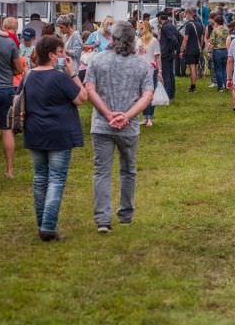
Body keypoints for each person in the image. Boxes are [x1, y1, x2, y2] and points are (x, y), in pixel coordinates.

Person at [85, 21, 154, 233]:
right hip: (128, 125)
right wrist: (127, 115)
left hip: (103, 125)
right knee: (128, 170)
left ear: (112, 38)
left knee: (102, 171)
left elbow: (90, 89)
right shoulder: (141, 64)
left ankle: (103, 219)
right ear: (133, 40)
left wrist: (107, 113)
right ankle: (125, 213)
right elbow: (147, 95)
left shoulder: (97, 60)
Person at [23, 35, 87, 241]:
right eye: (61, 52)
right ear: (51, 55)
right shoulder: (60, 78)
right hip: (59, 133)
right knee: (56, 180)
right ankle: (48, 226)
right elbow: (82, 98)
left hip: (34, 131)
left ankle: (42, 222)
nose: (64, 56)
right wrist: (73, 73)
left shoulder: (29, 76)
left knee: (40, 178)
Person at [0, 9, 21, 180]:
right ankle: (10, 170)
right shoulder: (9, 42)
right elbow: (19, 68)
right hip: (7, 88)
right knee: (6, 129)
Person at [137, 21, 161, 127]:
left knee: (150, 94)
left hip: (151, 70)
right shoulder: (138, 41)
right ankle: (145, 117)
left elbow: (157, 56)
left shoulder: (154, 40)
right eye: (138, 28)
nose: (139, 30)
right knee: (143, 94)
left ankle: (150, 116)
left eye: (141, 28)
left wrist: (160, 70)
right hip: (140, 70)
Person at [179, 8, 204, 93]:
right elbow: (201, 38)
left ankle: (193, 87)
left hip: (190, 49)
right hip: (198, 49)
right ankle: (193, 85)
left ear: (189, 14)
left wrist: (181, 50)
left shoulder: (189, 25)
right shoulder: (200, 24)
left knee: (192, 67)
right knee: (195, 67)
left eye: (185, 14)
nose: (185, 16)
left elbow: (185, 39)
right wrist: (200, 48)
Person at [158, 12, 179, 100]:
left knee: (166, 74)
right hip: (171, 53)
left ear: (160, 18)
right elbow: (176, 38)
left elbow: (173, 39)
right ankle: (171, 93)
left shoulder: (165, 27)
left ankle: (168, 94)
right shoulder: (171, 25)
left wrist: (166, 50)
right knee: (170, 74)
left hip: (166, 53)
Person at [209, 15, 229, 91]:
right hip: (226, 50)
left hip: (217, 51)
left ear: (216, 22)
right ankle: (226, 85)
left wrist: (209, 52)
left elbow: (212, 42)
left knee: (218, 69)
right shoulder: (227, 30)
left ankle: (221, 86)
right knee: (225, 69)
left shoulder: (215, 30)